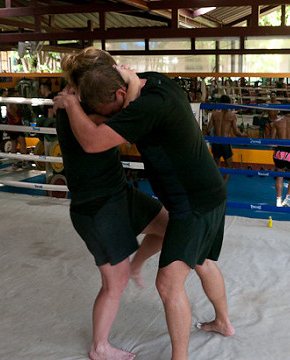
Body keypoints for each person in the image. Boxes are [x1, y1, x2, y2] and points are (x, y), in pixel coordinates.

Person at [53, 48, 235, 360]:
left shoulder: (136, 107)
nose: (112, 117)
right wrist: (77, 102)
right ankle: (222, 323)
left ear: (121, 90)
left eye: (112, 109)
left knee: (168, 284)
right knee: (195, 261)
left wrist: (71, 102)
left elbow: (95, 138)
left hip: (188, 203)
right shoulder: (153, 83)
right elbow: (108, 116)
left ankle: (186, 353)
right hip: (187, 195)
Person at [57, 50, 169, 360]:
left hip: (119, 193)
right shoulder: (80, 111)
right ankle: (99, 347)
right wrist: (131, 82)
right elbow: (130, 114)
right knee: (114, 283)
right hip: (95, 207)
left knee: (170, 225)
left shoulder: (79, 102)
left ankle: (136, 264)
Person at [205, 95, 247, 183]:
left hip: (215, 142)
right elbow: (236, 132)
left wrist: (210, 139)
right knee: (228, 165)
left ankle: (216, 184)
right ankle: (223, 185)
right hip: (225, 142)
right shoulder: (232, 115)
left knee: (216, 165)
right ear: (229, 104)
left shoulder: (214, 114)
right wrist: (243, 135)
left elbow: (208, 130)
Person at [5, 89, 27, 169]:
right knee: (22, 144)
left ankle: (14, 164)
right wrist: (17, 117)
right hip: (16, 126)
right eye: (17, 95)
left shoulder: (9, 104)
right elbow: (15, 117)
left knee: (14, 145)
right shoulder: (12, 104)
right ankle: (24, 162)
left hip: (11, 127)